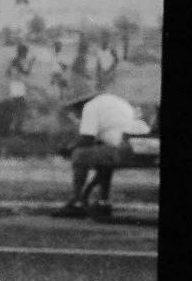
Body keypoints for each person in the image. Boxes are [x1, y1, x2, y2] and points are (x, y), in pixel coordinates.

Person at [55, 88, 149, 221]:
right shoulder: (115, 100)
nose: (75, 114)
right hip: (140, 147)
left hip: (124, 149)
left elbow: (86, 139)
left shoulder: (90, 107)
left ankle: (76, 201)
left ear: (78, 104)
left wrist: (69, 149)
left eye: (73, 110)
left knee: (79, 154)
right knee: (101, 153)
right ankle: (102, 201)